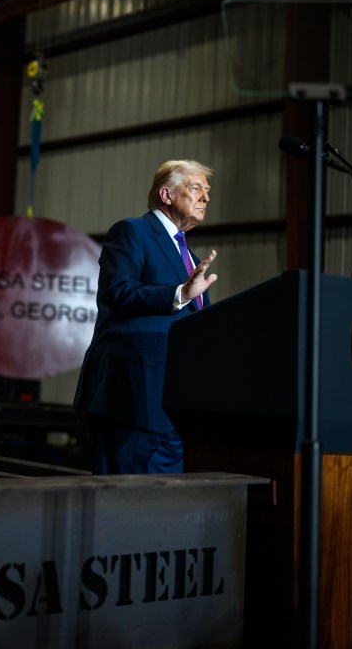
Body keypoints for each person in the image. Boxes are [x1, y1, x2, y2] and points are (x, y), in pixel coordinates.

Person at [72, 159, 218, 474]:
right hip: (132, 399)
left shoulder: (192, 259)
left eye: (207, 192)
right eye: (196, 189)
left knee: (163, 511)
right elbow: (120, 292)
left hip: (176, 408)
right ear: (166, 195)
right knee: (126, 505)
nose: (206, 198)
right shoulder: (132, 231)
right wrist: (179, 294)